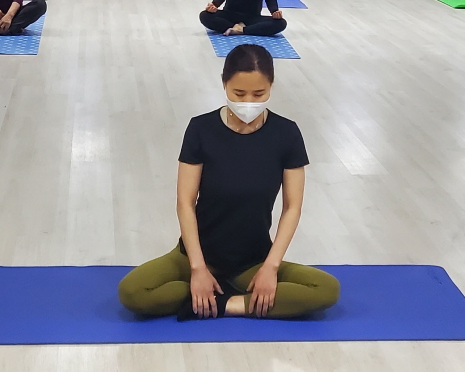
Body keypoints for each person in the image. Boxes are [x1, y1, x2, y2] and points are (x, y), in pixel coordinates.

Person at [118, 43, 339, 321]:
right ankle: (206, 290)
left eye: (259, 94)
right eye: (239, 93)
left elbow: (292, 207)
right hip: (196, 256)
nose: (249, 102)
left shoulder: (287, 134)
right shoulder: (200, 129)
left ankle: (221, 303)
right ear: (224, 85)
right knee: (133, 292)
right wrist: (198, 269)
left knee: (326, 289)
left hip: (252, 262)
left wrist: (271, 267)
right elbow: (185, 203)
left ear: (271, 86)